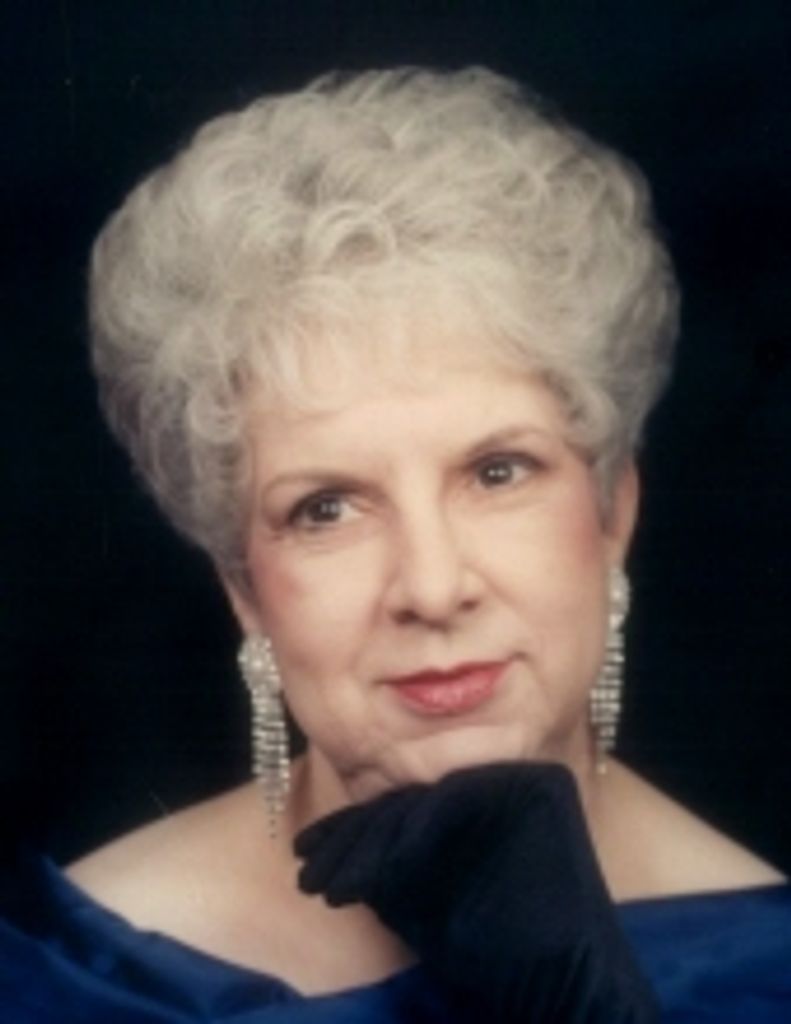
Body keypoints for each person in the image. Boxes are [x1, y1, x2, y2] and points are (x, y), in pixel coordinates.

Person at [1, 67, 789, 1022]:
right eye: (327, 508)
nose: (431, 585)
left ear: (612, 513)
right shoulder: (73, 975)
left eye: (496, 472)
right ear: (243, 586)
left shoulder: (767, 971)